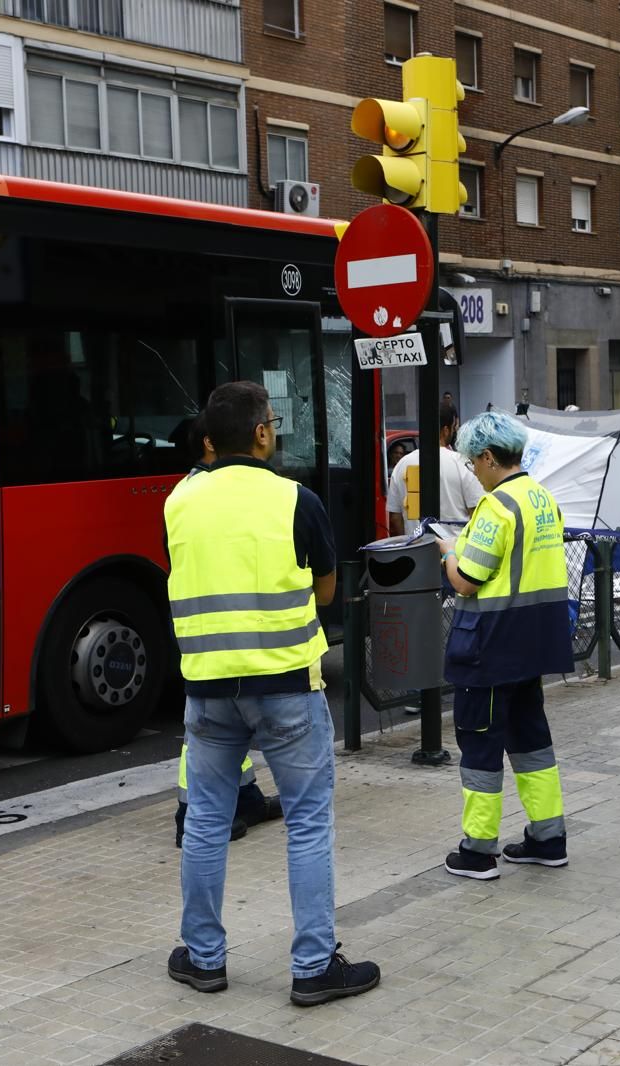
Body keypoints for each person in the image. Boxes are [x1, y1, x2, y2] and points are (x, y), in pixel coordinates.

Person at [164, 381, 378, 1004]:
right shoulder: (296, 499)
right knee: (307, 821)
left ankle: (203, 959)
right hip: (285, 685)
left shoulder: (179, 499)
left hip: (205, 687)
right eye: (274, 423)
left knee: (205, 818)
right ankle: (313, 967)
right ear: (260, 433)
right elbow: (329, 591)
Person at [435, 411, 574, 880]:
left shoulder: (497, 508)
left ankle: (477, 850)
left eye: (474, 462)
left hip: (489, 647)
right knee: (531, 742)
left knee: (479, 746)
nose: (473, 470)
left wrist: (448, 551)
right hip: (533, 645)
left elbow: (467, 581)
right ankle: (547, 837)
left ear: (490, 458)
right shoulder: (542, 499)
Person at [171, 418, 284, 848]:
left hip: (210, 630)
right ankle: (189, 813)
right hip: (217, 633)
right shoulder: (198, 493)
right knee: (207, 728)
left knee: (225, 724)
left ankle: (246, 797)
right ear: (209, 443)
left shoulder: (195, 489)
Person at [386, 401, 482, 538]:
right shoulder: (463, 463)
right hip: (455, 554)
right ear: (446, 430)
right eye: (454, 427)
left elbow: (395, 517)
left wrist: (409, 542)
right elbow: (477, 514)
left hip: (416, 551)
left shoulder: (402, 464)